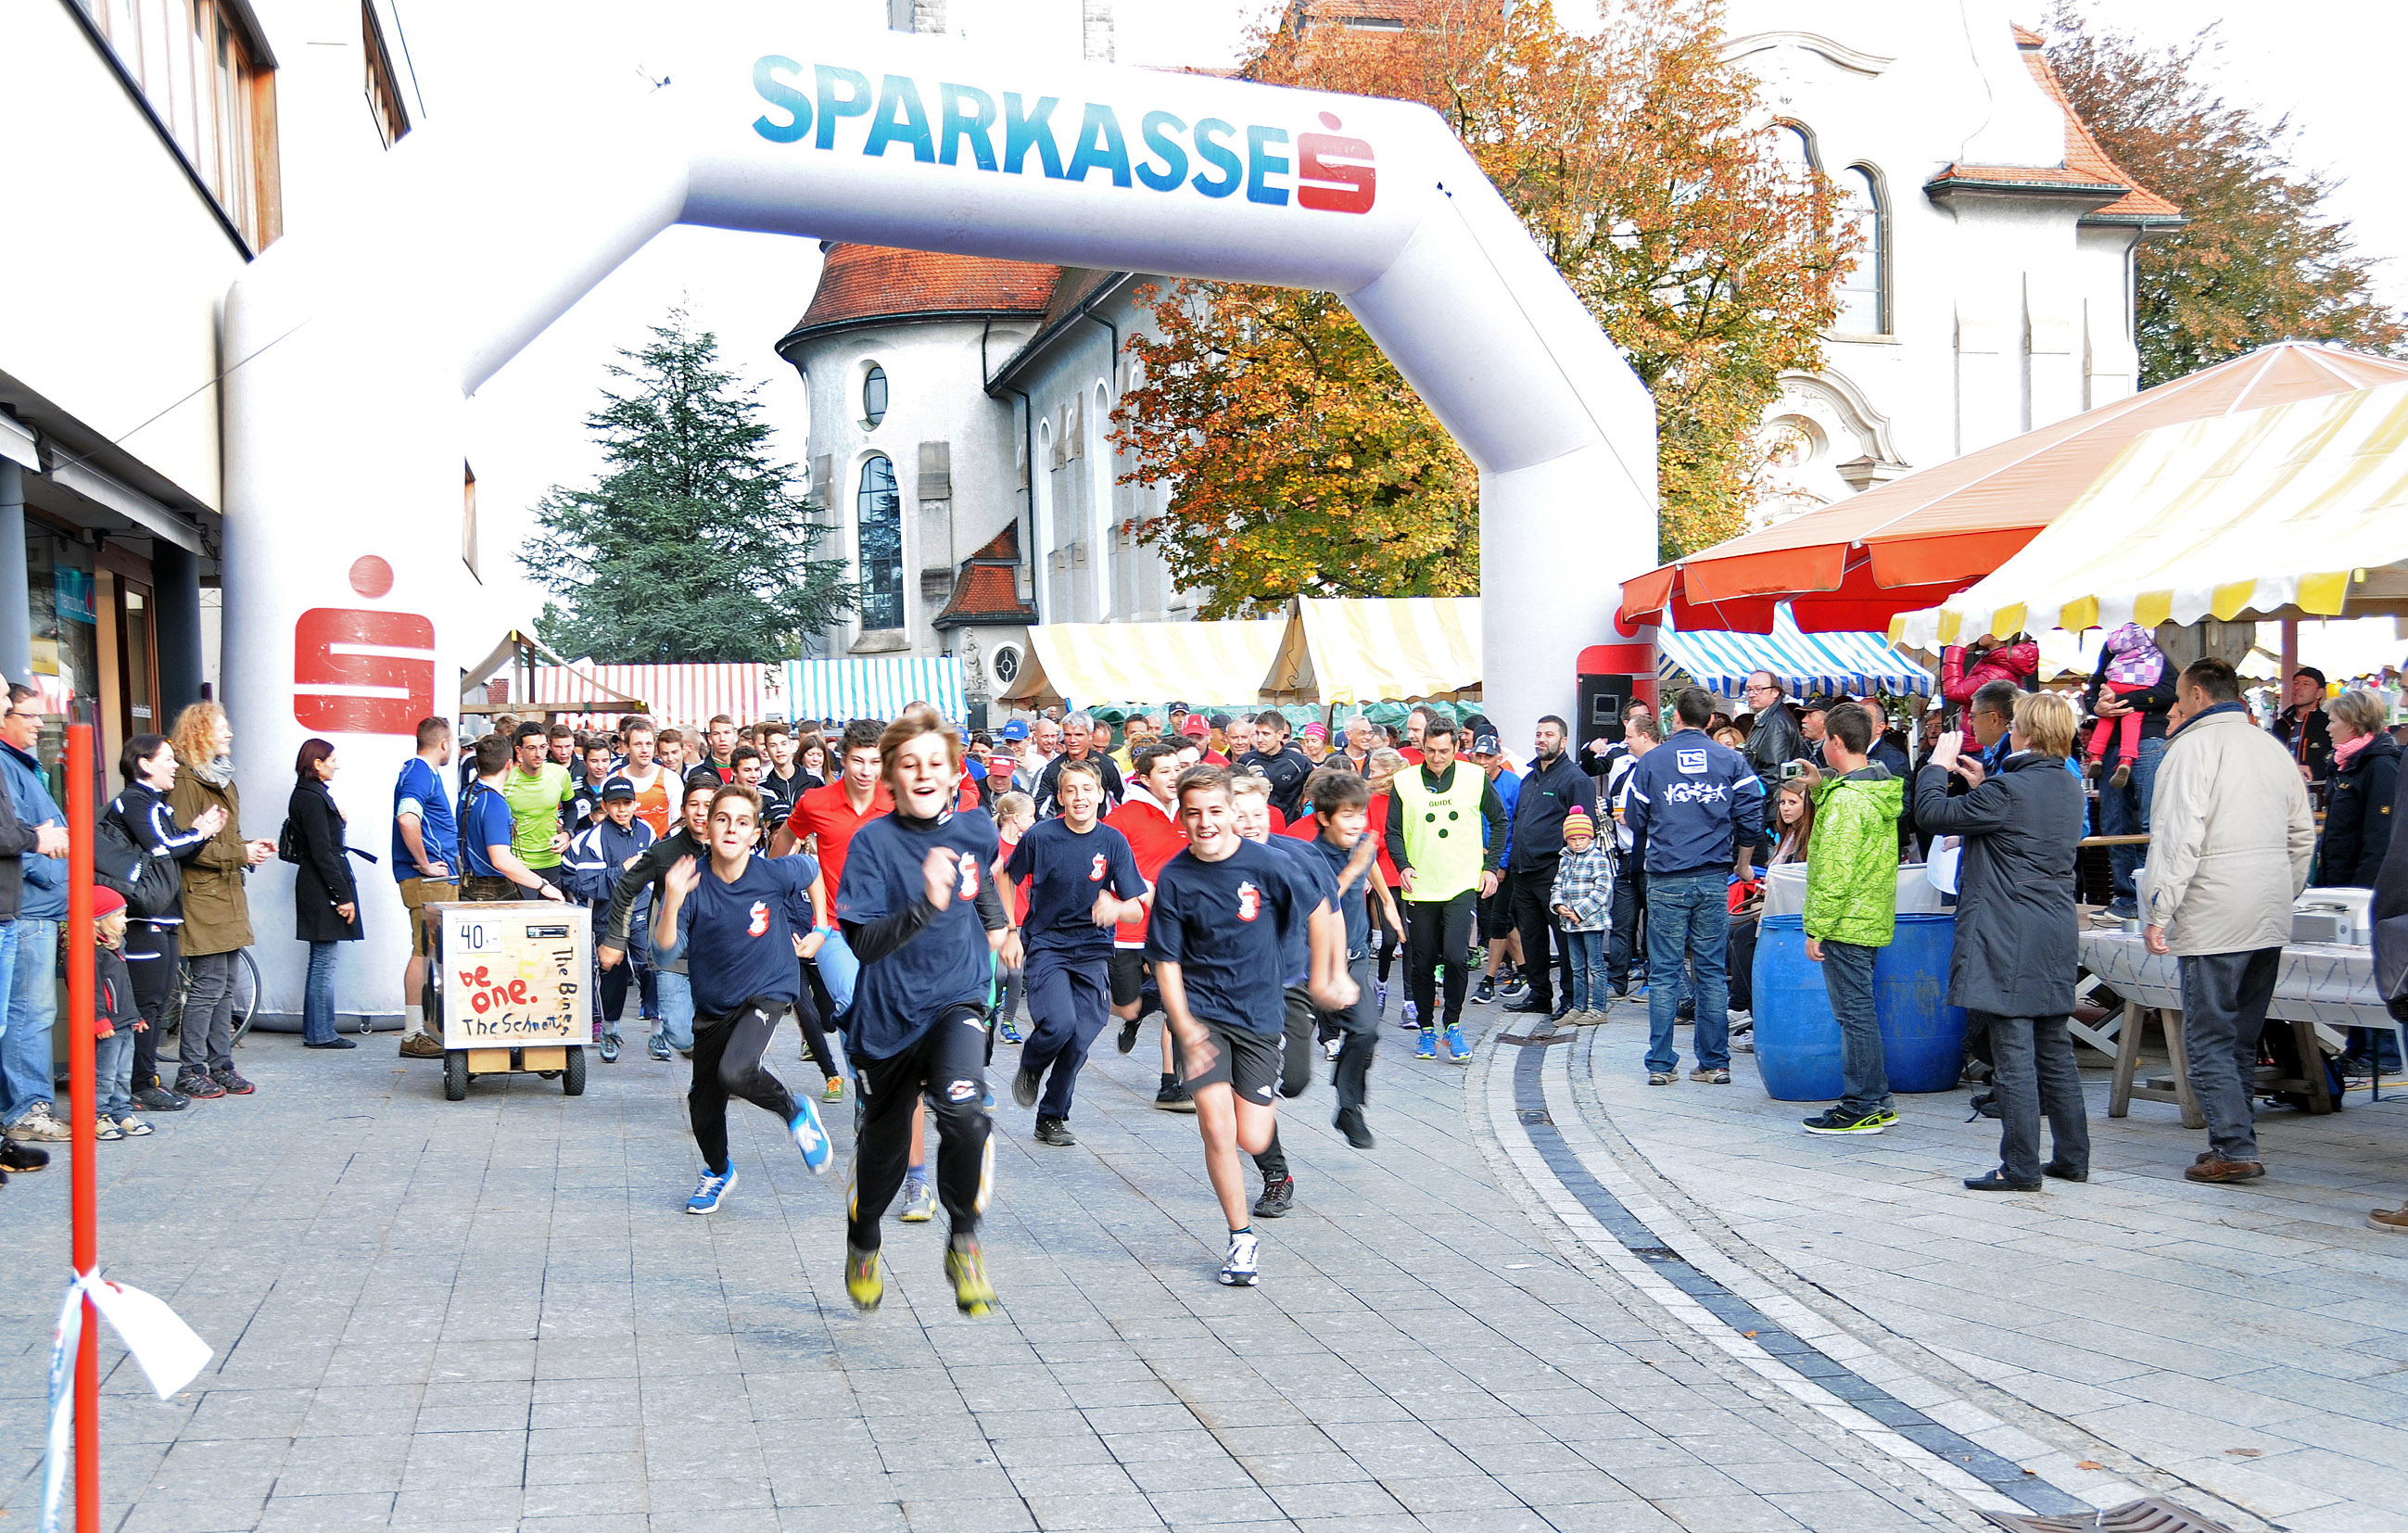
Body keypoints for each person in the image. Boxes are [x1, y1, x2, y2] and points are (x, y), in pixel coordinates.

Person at [833, 705, 1008, 1316]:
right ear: (890, 777)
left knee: (965, 1114)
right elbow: (862, 944)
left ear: (956, 773)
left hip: (957, 1000)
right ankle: (863, 1240)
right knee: (882, 1154)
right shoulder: (872, 844)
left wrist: (999, 927)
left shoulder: (977, 830)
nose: (924, 773)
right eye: (910, 764)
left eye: (936, 762)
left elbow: (981, 883)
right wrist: (926, 905)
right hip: (886, 1018)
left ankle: (964, 1241)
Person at [1148, 766, 1350, 1286]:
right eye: (1194, 813)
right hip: (1203, 1016)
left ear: (1232, 814)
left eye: (1215, 811)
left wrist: (1327, 978)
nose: (1205, 822)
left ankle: (1269, 1162)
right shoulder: (1174, 877)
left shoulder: (1268, 864)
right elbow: (1165, 960)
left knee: (1252, 1135)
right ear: (1182, 817)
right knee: (1217, 1130)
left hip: (1260, 1015)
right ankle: (1241, 1238)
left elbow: (1320, 910)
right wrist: (1183, 1024)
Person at [2142, 657, 2316, 1184]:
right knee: (2239, 1035)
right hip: (2265, 908)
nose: (2175, 707)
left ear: (2197, 695)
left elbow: (2177, 838)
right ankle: (2235, 1139)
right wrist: (2283, 890)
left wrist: (2158, 908)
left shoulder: (2190, 749)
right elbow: (2302, 835)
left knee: (2210, 1037)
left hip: (2215, 910)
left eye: (2178, 697)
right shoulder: (2270, 746)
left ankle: (2235, 1146)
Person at [1916, 693, 2089, 1188]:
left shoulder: (2008, 789)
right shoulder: (2067, 784)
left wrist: (1937, 765)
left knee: (2013, 1051)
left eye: (2014, 725)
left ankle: (2020, 1166)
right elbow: (2017, 824)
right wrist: (1983, 786)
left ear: (2027, 733)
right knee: (2054, 1047)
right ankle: (2072, 1157)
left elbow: (1932, 813)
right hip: (2053, 926)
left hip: (2008, 929)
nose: (2009, 731)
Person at [650, 783, 834, 1216]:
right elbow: (664, 953)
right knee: (703, 1104)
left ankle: (794, 1110)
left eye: (742, 822)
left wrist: (821, 928)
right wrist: (672, 901)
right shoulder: (690, 882)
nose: (732, 828)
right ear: (707, 827)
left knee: (736, 1071)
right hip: (714, 1004)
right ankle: (718, 1172)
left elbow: (811, 869)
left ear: (755, 834)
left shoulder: (773, 873)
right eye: (722, 819)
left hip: (768, 989)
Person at [1622, 688, 1762, 1088]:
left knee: (1665, 973)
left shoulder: (1652, 761)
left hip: (1667, 876)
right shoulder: (1731, 759)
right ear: (1711, 720)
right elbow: (1752, 813)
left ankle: (1660, 1065)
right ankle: (1715, 1063)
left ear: (1676, 717)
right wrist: (1743, 862)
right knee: (1711, 972)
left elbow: (1635, 818)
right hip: (1714, 876)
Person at [1005, 756, 1147, 1147]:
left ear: (1100, 794)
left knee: (1081, 1037)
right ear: (1061, 797)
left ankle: (1051, 1116)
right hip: (1047, 944)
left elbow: (1136, 908)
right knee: (1059, 1024)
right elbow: (1006, 876)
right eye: (1071, 790)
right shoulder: (1041, 836)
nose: (1079, 797)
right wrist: (1011, 930)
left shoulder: (1113, 842)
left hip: (1093, 950)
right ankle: (1032, 1063)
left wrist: (1115, 907)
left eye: (1087, 789)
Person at [1798, 702, 1904, 1134]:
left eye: (1825, 738)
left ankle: (1863, 1103)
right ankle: (1876, 1099)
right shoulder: (1875, 786)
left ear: (1836, 741)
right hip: (1869, 916)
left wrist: (1817, 928)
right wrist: (1820, 787)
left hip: (1845, 922)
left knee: (1854, 1015)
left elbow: (1834, 872)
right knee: (1860, 1011)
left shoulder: (1847, 801)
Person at [166, 700, 275, 1103]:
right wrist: (239, 853)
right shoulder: (186, 781)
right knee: (208, 986)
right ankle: (192, 1069)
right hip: (202, 896)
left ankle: (220, 1064)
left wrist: (250, 847)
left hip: (225, 893)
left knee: (225, 985)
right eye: (221, 727)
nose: (230, 733)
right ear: (199, 733)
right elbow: (186, 845)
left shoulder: (222, 779)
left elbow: (225, 840)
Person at [1385, 718, 1506, 1064]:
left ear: (1456, 748)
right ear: (1423, 747)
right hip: (1421, 886)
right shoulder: (1404, 781)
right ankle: (1426, 1028)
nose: (1437, 758)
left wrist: (1490, 868)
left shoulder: (1475, 777)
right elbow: (1393, 830)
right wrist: (1403, 865)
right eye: (1430, 751)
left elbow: (1500, 821)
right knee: (1422, 962)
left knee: (1455, 957)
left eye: (1443, 751)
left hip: (1460, 884)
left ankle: (1452, 1024)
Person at [110, 734, 214, 1110]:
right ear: (144, 764)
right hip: (144, 917)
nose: (175, 765)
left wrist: (199, 834)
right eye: (167, 759)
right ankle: (138, 1084)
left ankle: (146, 1079)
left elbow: (177, 852)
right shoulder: (136, 801)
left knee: (156, 1005)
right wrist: (198, 832)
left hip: (164, 915)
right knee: (146, 1005)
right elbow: (161, 848)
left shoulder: (156, 803)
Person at [602, 774, 716, 1060]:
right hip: (673, 955)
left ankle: (714, 1071)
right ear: (683, 809)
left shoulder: (732, 850)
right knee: (682, 1035)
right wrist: (616, 940)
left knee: (721, 1031)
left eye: (708, 805)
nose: (700, 812)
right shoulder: (665, 851)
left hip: (718, 956)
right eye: (694, 804)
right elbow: (626, 888)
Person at [1105, 744, 1195, 1108]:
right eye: (1165, 771)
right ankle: (1137, 1013)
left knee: (1178, 1006)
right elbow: (1104, 862)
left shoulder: (1190, 813)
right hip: (1129, 930)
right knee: (1127, 1005)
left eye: (1177, 769)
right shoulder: (1124, 817)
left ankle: (1172, 1084)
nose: (1174, 777)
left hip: (1173, 929)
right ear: (1144, 778)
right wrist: (1141, 890)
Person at [1504, 715, 1597, 1023]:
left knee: (1566, 939)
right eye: (1538, 734)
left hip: (1555, 872)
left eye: (1549, 734)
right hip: (1523, 872)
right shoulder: (1529, 778)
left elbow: (1585, 830)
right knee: (1532, 938)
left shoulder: (1575, 779)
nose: (1541, 739)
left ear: (1564, 741)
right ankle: (1539, 994)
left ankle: (1571, 999)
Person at [562, 775, 659, 1066]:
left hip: (642, 911)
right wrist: (624, 870)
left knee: (652, 968)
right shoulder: (593, 839)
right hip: (608, 917)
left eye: (627, 803)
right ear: (604, 806)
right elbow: (588, 885)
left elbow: (658, 867)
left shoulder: (647, 830)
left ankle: (658, 1033)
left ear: (636, 804)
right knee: (612, 975)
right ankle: (609, 1031)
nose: (622, 809)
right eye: (615, 804)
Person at [2085, 637, 2179, 919]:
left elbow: (2170, 691)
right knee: (2115, 823)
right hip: (2114, 744)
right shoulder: (2112, 645)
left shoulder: (2159, 642)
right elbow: (2094, 688)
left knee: (2153, 821)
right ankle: (2128, 898)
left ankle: (2154, 898)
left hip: (2148, 739)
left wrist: (2121, 699)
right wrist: (2096, 706)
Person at [288, 737, 363, 1050]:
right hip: (322, 887)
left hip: (316, 884)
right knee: (324, 961)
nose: (337, 765)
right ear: (317, 764)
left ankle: (318, 1029)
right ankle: (320, 1032)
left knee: (321, 958)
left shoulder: (308, 795)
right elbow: (323, 852)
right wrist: (342, 896)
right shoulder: (312, 798)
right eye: (332, 760)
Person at [391, 718, 460, 1059]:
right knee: (423, 951)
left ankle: (423, 1030)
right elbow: (407, 817)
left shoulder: (418, 771)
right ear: (444, 744)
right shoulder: (421, 773)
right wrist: (426, 862)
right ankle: (413, 1033)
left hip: (432, 879)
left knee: (428, 951)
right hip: (429, 880)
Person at [457, 735, 571, 904]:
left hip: (471, 883)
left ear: (478, 763)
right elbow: (501, 860)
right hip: (492, 888)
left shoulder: (468, 793)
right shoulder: (494, 803)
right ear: (509, 764)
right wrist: (543, 885)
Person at [2316, 689, 2399, 889]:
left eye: (2332, 722)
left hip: (2356, 888)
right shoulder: (2343, 763)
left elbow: (2380, 839)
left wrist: (2359, 892)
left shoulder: (2380, 766)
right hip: (2336, 880)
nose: (2328, 728)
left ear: (2352, 725)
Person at [2083, 624, 2170, 786]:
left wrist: (2113, 702)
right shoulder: (2160, 639)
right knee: (2149, 803)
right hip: (2147, 735)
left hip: (2120, 740)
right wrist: (2097, 706)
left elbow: (2095, 685)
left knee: (2106, 721)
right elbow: (2170, 690)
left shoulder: (2115, 641)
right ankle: (2126, 759)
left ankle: (2095, 754)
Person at [1550, 807, 1614, 1024]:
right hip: (1570, 923)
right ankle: (1579, 1006)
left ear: (1590, 837)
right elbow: (1557, 885)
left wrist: (1579, 911)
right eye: (1573, 839)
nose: (1577, 843)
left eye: (1582, 838)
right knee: (1577, 967)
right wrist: (1559, 905)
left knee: (1596, 966)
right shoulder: (1565, 859)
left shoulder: (1598, 858)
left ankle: (1599, 1009)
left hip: (1591, 923)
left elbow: (1602, 890)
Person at [501, 721, 577, 893]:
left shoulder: (559, 774)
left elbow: (571, 808)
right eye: (531, 748)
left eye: (543, 747)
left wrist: (567, 834)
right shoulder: (507, 779)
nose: (539, 754)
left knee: (554, 910)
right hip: (519, 864)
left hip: (552, 860)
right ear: (519, 750)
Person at [1033, 712, 1125, 819]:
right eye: (1068, 735)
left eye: (1078, 735)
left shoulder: (1108, 765)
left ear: (1090, 735)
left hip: (1100, 825)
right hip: (1063, 827)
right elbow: (1040, 810)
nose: (1072, 740)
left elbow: (1124, 801)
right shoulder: (1050, 770)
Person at [1740, 671, 1809, 799]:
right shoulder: (1768, 718)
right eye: (1749, 689)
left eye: (1759, 689)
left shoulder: (1776, 723)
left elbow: (1773, 776)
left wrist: (1748, 799)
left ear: (1775, 692)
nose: (1752, 694)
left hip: (1770, 804)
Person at [1939, 634, 2039, 722]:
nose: (1980, 632)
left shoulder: (1997, 673)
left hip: (1979, 733)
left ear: (1997, 635)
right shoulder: (2000, 663)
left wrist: (1956, 649)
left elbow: (1953, 691)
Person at [1236, 710, 1314, 824]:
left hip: (1288, 828)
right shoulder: (1246, 761)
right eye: (1257, 733)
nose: (1259, 739)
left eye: (1266, 734)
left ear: (1279, 735)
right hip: (1253, 826)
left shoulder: (1299, 763)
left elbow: (1311, 796)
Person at [2274, 666, 2336, 802]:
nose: (2298, 687)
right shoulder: (2280, 725)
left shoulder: (2328, 725)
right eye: (2295, 683)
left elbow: (2336, 763)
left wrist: (2312, 772)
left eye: (2306, 684)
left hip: (2316, 797)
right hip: (2281, 795)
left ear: (2319, 693)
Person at [616, 716, 677, 839]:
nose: (644, 750)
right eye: (638, 744)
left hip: (661, 846)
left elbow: (677, 824)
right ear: (627, 747)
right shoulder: (615, 780)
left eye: (648, 744)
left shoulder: (671, 779)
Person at [1768, 772, 1818, 866]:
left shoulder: (1810, 835)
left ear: (1806, 804)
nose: (1786, 808)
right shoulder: (1788, 831)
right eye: (1782, 802)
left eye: (1792, 802)